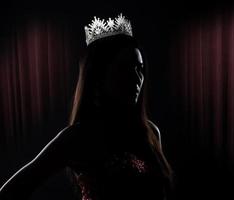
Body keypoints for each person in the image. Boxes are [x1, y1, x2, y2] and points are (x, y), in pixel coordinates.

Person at [0, 13, 173, 200]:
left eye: (139, 68)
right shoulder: (80, 136)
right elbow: (13, 190)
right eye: (124, 68)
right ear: (99, 76)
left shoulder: (150, 133)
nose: (136, 78)